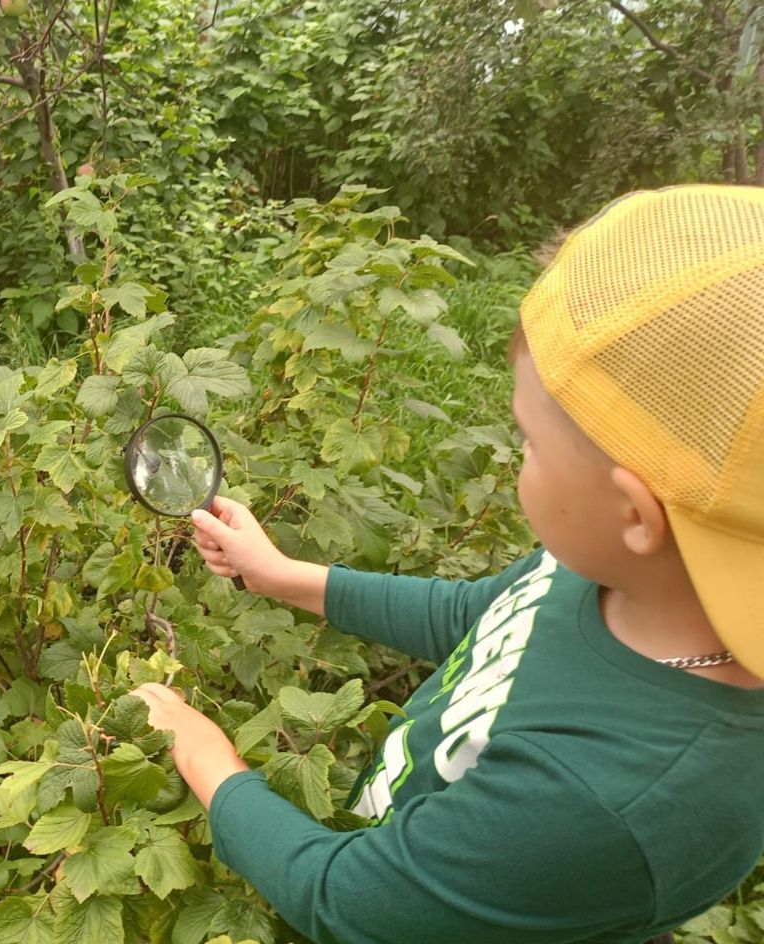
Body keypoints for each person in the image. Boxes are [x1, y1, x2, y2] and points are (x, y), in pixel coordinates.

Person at [133, 184, 764, 944]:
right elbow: (484, 618)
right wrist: (281, 574)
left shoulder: (606, 803)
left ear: (634, 514)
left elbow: (345, 900)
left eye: (527, 439)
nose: (518, 450)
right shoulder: (634, 576)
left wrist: (204, 754)